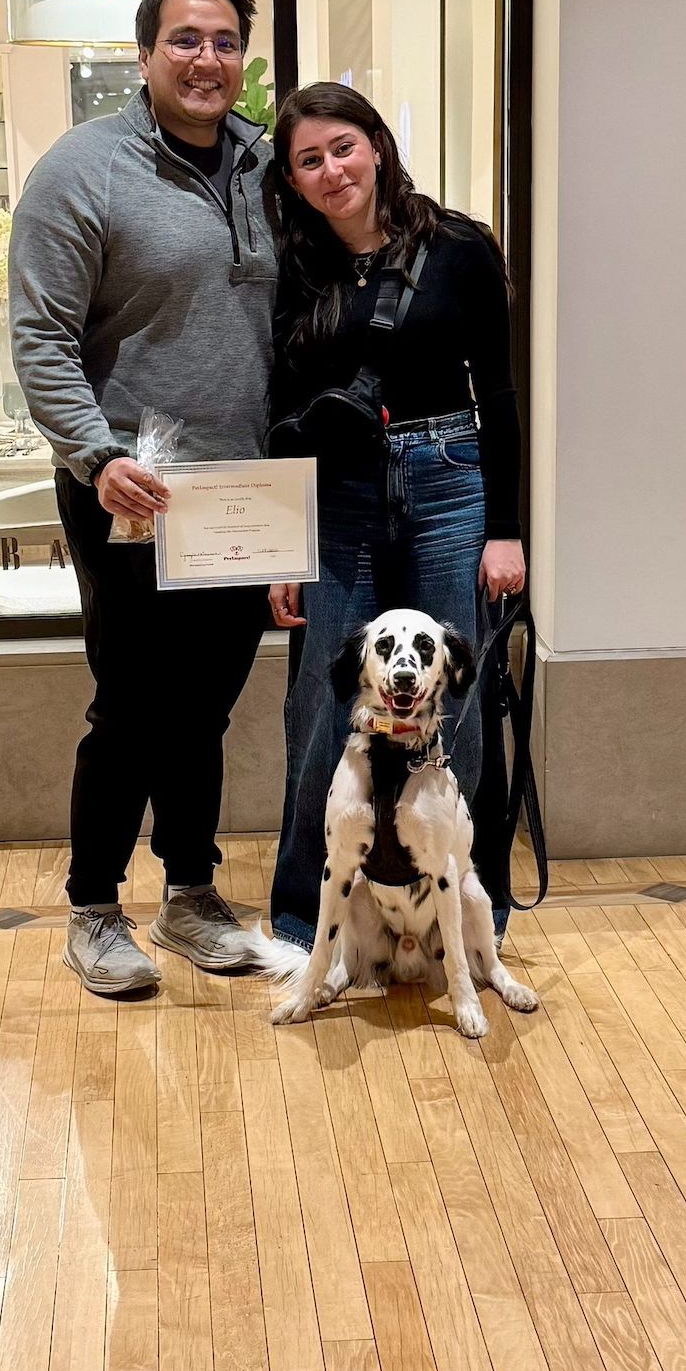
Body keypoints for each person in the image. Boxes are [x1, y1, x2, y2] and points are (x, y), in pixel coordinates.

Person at [10, 0, 277, 997]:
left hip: (242, 494)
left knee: (205, 707)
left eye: (225, 41)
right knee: (130, 703)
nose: (207, 59)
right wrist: (96, 454)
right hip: (132, 487)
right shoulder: (85, 169)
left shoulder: (264, 166)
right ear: (145, 52)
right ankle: (93, 907)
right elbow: (40, 335)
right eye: (186, 40)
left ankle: (192, 894)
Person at [263, 81, 525, 949]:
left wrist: (506, 530)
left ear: (375, 145)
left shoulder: (460, 247)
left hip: (449, 480)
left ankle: (463, 907)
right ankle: (305, 916)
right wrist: (283, 548)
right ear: (293, 180)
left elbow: (500, 395)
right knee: (324, 696)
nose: (332, 170)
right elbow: (286, 413)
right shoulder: (297, 267)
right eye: (309, 160)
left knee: (455, 696)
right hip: (338, 495)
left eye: (343, 147)